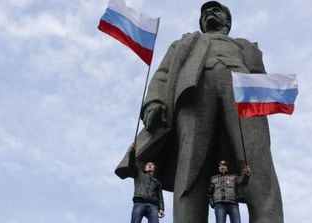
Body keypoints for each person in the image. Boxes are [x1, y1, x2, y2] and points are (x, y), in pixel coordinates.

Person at [116, 1, 283, 222]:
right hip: (194, 91)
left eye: (216, 10)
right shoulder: (185, 42)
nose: (209, 14)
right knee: (191, 164)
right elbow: (163, 73)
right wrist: (154, 102)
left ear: (228, 21)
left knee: (256, 159)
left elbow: (260, 79)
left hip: (241, 91)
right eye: (205, 13)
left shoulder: (245, 46)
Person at [128, 143, 165, 223]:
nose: (150, 165)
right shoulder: (138, 175)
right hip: (140, 202)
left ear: (154, 168)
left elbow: (160, 196)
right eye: (148, 165)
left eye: (152, 165)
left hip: (153, 205)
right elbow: (131, 165)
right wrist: (132, 151)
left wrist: (161, 208)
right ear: (145, 168)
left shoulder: (157, 182)